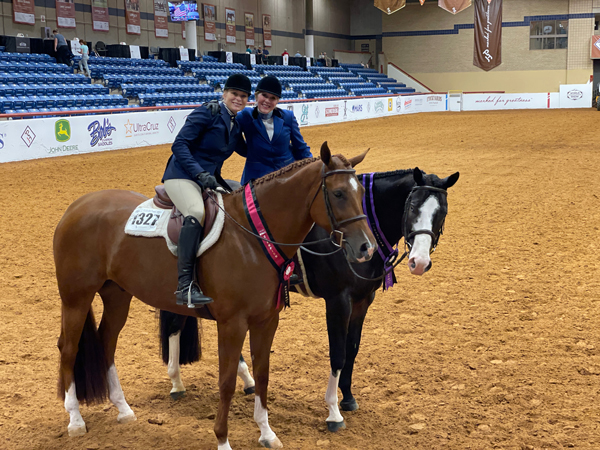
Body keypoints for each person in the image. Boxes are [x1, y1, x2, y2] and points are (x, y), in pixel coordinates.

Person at [162, 74, 251, 307]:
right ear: (224, 93)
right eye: (234, 94)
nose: (238, 99)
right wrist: (199, 173)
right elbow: (179, 144)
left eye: (243, 96)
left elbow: (246, 150)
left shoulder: (236, 123)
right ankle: (185, 286)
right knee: (196, 212)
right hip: (182, 175)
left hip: (209, 179)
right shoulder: (206, 112)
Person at [236, 76, 312, 184]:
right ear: (257, 96)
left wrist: (313, 166)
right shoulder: (245, 116)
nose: (267, 101)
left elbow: (300, 147)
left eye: (273, 98)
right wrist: (253, 153)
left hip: (287, 176)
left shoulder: (288, 117)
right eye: (264, 95)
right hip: (256, 179)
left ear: (277, 101)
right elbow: (235, 142)